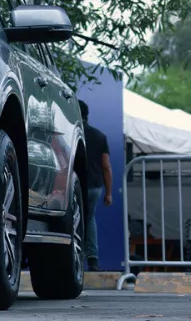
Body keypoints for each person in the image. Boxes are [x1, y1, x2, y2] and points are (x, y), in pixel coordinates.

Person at [79, 99, 112, 272]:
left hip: (75, 185)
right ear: (87, 115)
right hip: (94, 187)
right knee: (90, 219)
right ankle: (92, 259)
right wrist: (109, 193)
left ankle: (74, 256)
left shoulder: (69, 132)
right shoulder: (100, 136)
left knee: (74, 219)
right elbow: (106, 166)